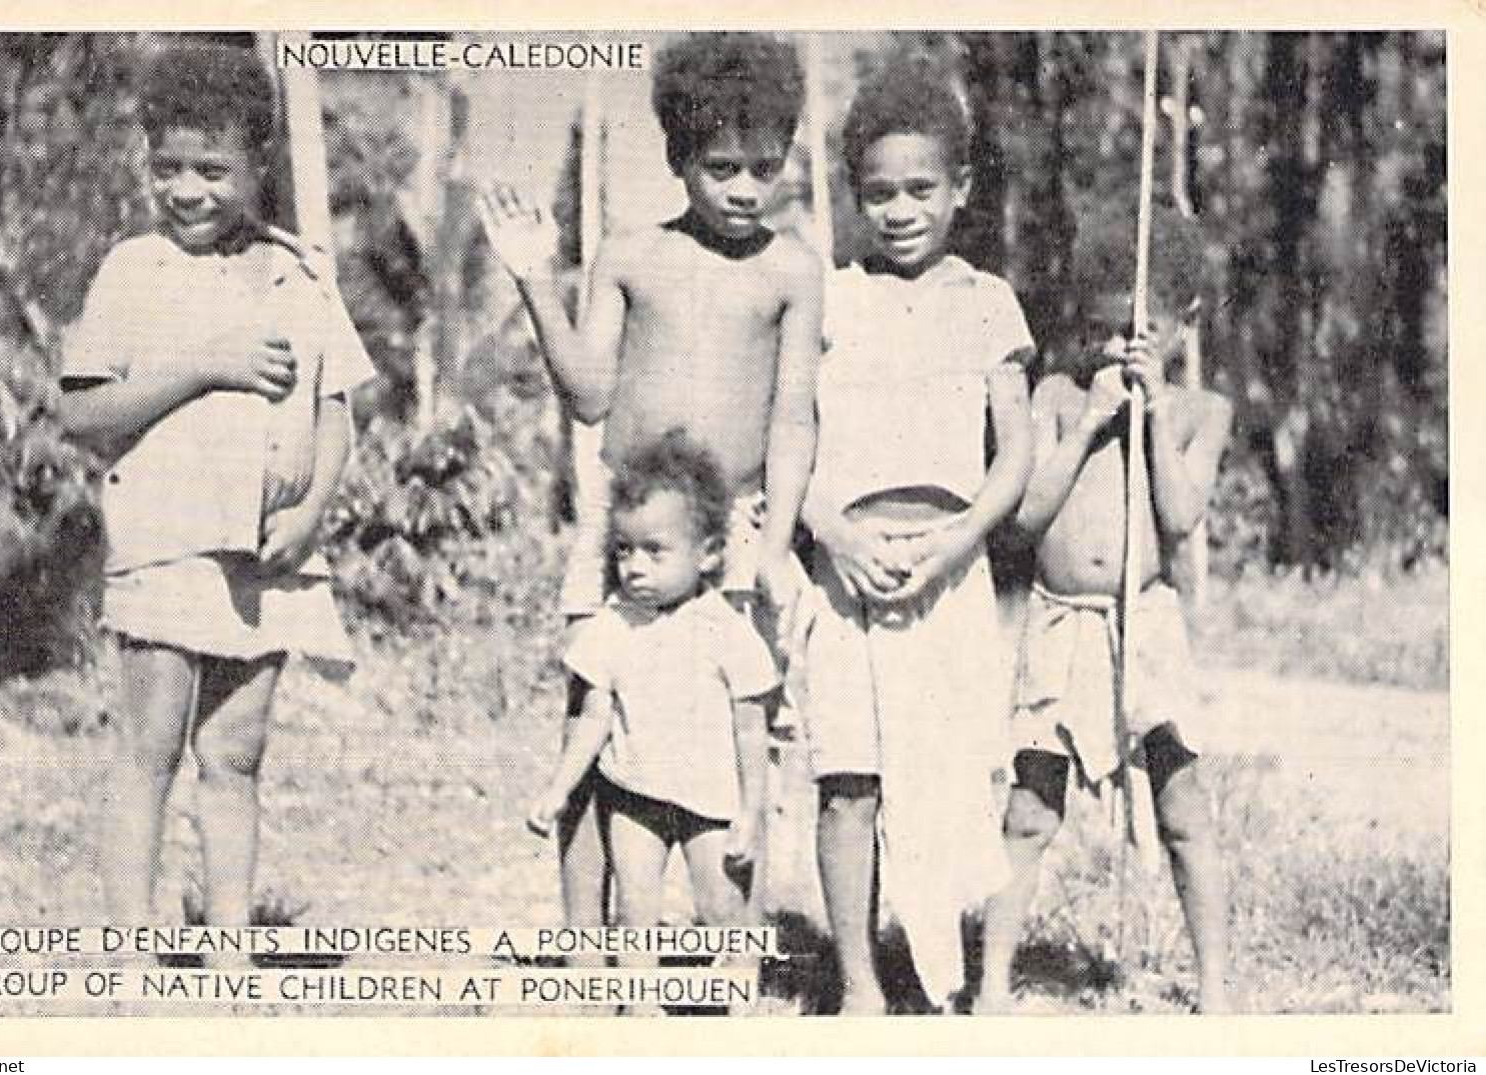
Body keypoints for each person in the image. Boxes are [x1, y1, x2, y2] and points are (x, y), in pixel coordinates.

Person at [479, 33, 822, 938]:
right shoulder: (631, 255)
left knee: (734, 733)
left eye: (764, 166)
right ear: (677, 158)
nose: (746, 188)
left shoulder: (793, 270)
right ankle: (587, 952)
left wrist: (777, 545)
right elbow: (588, 390)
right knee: (595, 721)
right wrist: (532, 281)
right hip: (623, 526)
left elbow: (793, 417)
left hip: (734, 534)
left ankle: (731, 951)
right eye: (721, 168)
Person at [58, 43, 374, 947]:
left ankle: (229, 944)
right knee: (148, 752)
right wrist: (206, 364)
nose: (186, 190)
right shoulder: (134, 270)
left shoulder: (298, 272)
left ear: (258, 162)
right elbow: (84, 413)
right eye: (167, 168)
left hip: (268, 564)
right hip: (167, 543)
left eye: (211, 169)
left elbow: (337, 411)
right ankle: (129, 951)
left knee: (233, 757)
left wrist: (310, 513)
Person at [793, 53, 1033, 1015]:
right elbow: (787, 441)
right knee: (848, 780)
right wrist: (830, 535)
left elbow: (1011, 453)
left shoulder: (986, 303)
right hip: (842, 573)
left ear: (960, 189)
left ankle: (951, 977)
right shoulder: (827, 297)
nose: (899, 210)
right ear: (854, 195)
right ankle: (858, 982)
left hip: (948, 571)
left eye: (920, 189)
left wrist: (963, 537)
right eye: (879, 192)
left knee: (943, 781)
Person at [976, 201, 1235, 1014]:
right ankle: (988, 988)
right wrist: (1090, 419)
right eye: (1104, 330)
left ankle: (1217, 990)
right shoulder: (1056, 395)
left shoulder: (1202, 412)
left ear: (1184, 322)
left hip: (1145, 625)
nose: (1122, 347)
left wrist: (1153, 411)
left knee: (1182, 805)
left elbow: (1181, 514)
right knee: (1028, 807)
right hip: (1061, 622)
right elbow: (1023, 516)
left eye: (1143, 330)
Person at [527, 431, 778, 1013]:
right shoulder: (613, 624)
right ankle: (641, 1011)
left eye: (654, 551)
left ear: (710, 553)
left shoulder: (725, 630)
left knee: (722, 909)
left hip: (710, 802)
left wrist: (751, 812)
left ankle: (737, 1007)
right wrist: (559, 788)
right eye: (623, 550)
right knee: (635, 908)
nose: (634, 567)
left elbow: (751, 728)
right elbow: (593, 715)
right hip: (634, 794)